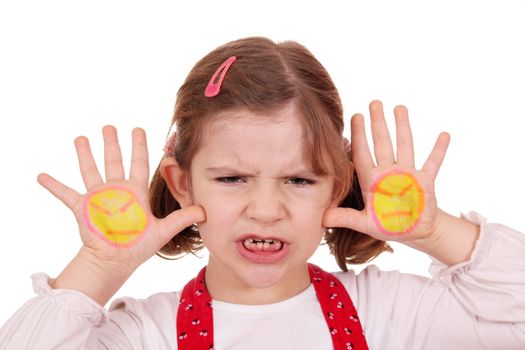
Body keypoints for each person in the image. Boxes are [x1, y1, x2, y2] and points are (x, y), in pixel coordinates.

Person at [0, 36, 524, 350]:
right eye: (232, 179)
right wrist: (100, 264)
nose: (267, 209)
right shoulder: (145, 334)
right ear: (183, 184)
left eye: (300, 180)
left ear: (337, 187)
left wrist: (432, 231)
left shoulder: (389, 313)